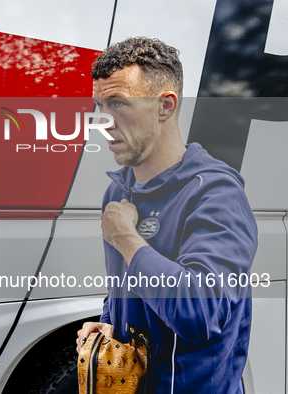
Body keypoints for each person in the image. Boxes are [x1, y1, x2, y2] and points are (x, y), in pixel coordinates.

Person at [76, 37, 258, 393]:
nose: (103, 121)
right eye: (100, 105)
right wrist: (109, 322)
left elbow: (199, 315)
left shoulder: (216, 193)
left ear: (165, 106)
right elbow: (124, 287)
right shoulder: (118, 191)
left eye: (118, 104)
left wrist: (126, 238)